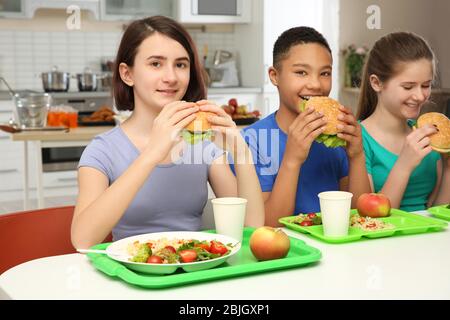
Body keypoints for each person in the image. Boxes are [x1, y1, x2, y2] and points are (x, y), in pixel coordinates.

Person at [71, 16, 264, 249]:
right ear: (127, 74)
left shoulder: (202, 144)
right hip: (131, 275)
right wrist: (152, 154)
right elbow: (82, 240)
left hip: (195, 271)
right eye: (156, 64)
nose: (171, 77)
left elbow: (251, 228)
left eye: (181, 65)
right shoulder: (102, 150)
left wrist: (240, 152)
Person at [241, 26, 371, 226]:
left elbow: (360, 216)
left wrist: (357, 156)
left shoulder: (337, 138)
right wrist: (292, 160)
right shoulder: (251, 141)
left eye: (325, 73)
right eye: (301, 72)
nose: (316, 85)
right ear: (275, 76)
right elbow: (266, 226)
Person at [356, 31, 450, 211]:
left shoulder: (428, 137)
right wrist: (404, 165)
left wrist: (448, 169)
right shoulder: (359, 140)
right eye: (408, 86)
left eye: (426, 85)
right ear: (376, 83)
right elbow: (370, 219)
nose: (420, 96)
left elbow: (436, 212)